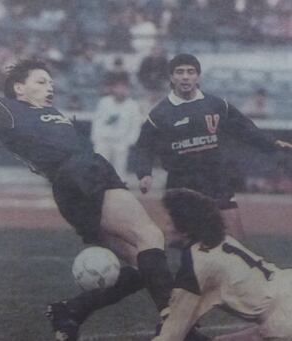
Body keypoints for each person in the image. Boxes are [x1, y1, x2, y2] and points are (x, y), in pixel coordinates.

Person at [0, 59, 174, 340]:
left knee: (141, 261)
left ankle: (71, 311)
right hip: (83, 172)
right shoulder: (5, 108)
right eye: (41, 81)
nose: (50, 87)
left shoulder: (48, 112)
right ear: (19, 88)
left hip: (69, 188)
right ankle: (176, 325)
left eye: (51, 83)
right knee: (150, 236)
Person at [135, 53, 292, 239]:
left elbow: (246, 130)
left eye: (190, 72)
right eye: (179, 72)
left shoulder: (216, 104)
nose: (185, 77)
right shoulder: (159, 114)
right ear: (171, 77)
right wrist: (144, 173)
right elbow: (144, 146)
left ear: (198, 76)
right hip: (182, 181)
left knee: (236, 238)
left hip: (215, 178)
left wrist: (273, 144)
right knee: (182, 240)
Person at [154, 187, 292, 341]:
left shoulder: (198, 264)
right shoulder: (221, 240)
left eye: (167, 223)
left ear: (185, 230)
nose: (161, 228)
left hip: (284, 320)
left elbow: (171, 334)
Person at [91, 73, 142, 180]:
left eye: (123, 88)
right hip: (104, 141)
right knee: (100, 169)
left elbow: (135, 127)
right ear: (113, 89)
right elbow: (97, 122)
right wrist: (96, 139)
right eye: (118, 88)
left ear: (128, 89)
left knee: (119, 172)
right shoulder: (104, 102)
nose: (120, 90)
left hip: (121, 142)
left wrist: (129, 142)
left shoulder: (132, 105)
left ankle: (118, 191)